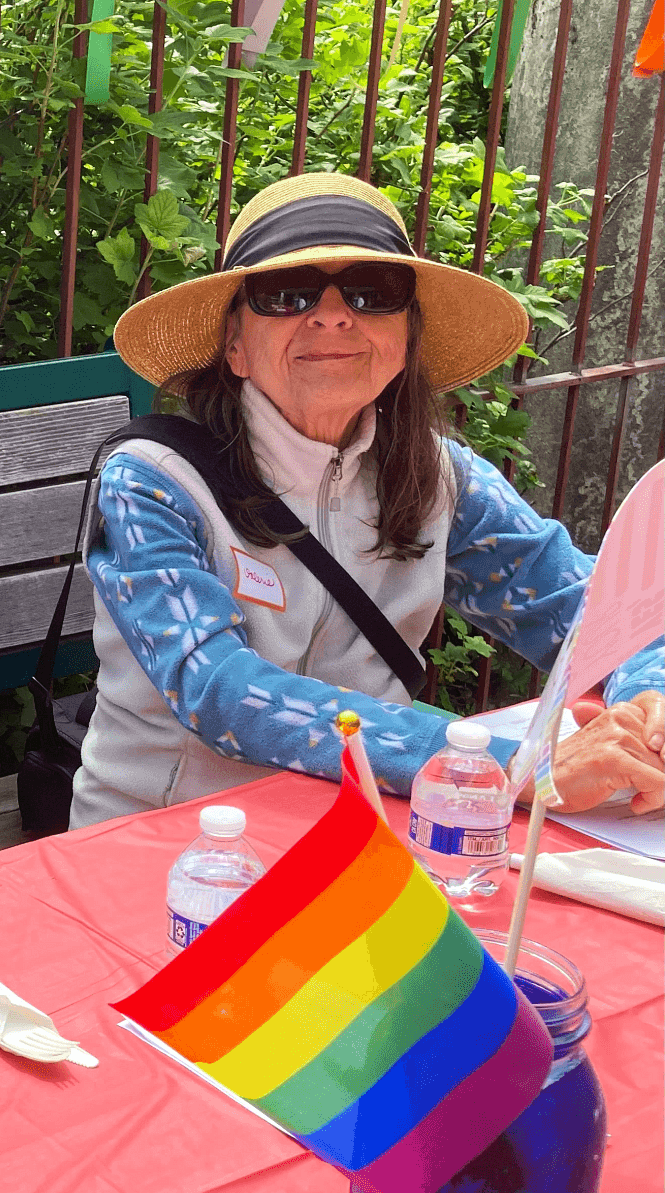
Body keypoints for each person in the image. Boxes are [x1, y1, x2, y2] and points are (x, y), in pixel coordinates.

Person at [71, 171, 665, 827]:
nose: (332, 314)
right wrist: (510, 766)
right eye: (286, 294)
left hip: (365, 839)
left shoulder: (439, 476)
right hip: (166, 843)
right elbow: (221, 694)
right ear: (234, 345)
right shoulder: (154, 483)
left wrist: (648, 712)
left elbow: (599, 611)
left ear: (405, 337)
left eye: (372, 291)